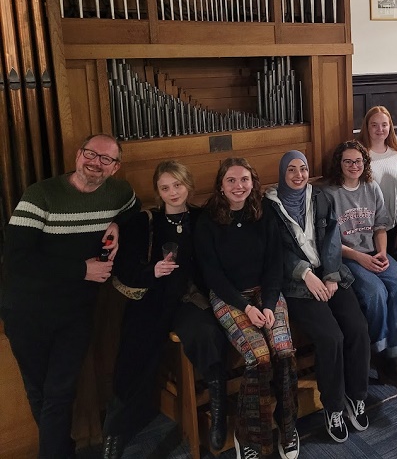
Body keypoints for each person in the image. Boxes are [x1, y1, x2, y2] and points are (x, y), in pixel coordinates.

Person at [2, 134, 139, 459]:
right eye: (91, 154)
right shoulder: (42, 194)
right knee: (40, 393)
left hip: (76, 312)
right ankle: (62, 450)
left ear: (115, 166)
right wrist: (81, 270)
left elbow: (136, 218)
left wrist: (118, 225)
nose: (96, 162)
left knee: (60, 392)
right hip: (26, 310)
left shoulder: (120, 192)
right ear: (79, 155)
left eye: (106, 159)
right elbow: (17, 259)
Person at [102, 161, 230, 458]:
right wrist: (153, 271)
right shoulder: (145, 222)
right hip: (153, 299)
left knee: (207, 335)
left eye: (178, 185)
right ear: (157, 191)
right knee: (133, 354)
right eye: (165, 187)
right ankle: (115, 433)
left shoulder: (204, 218)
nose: (173, 192)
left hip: (191, 299)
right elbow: (126, 267)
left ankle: (218, 413)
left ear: (188, 185)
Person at [195, 158, 299, 459]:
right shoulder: (208, 220)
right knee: (260, 357)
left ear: (253, 182)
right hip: (229, 296)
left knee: (283, 351)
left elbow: (274, 264)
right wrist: (245, 307)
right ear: (221, 185)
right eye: (231, 180)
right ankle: (250, 437)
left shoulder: (264, 213)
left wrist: (268, 304)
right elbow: (212, 275)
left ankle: (287, 425)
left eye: (244, 180)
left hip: (266, 293)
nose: (238, 186)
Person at [265, 151, 371, 445]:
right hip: (297, 286)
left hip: (329, 277)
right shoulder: (269, 208)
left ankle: (356, 396)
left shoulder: (320, 197)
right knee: (331, 337)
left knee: (358, 329)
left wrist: (330, 274)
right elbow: (274, 252)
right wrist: (305, 274)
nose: (298, 175)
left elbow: (332, 238)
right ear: (282, 174)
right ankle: (334, 406)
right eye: (291, 171)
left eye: (303, 169)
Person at [324, 140, 397, 393]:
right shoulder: (329, 193)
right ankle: (380, 354)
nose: (354, 166)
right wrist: (360, 257)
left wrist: (383, 253)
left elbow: (380, 226)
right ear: (339, 164)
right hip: (347, 256)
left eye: (359, 161)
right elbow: (329, 242)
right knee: (376, 294)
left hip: (375, 252)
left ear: (365, 163)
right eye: (348, 161)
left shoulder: (371, 186)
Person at [356, 106, 397, 257]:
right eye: (374, 125)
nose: (380, 129)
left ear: (390, 126)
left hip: (391, 228)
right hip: (365, 229)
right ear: (367, 127)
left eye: (384, 124)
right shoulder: (359, 156)